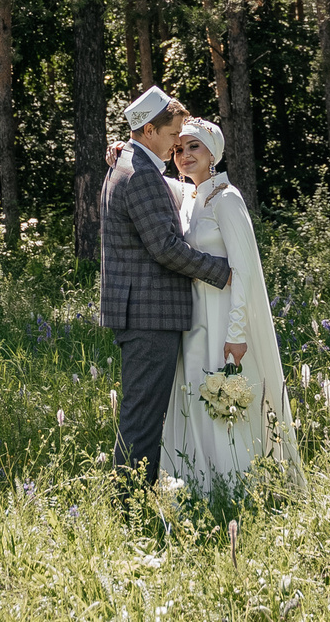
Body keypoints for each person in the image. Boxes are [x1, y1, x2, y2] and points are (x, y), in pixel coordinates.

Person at [99, 85, 232, 494]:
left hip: (144, 313)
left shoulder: (132, 164)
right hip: (148, 315)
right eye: (174, 133)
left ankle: (137, 498)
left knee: (146, 413)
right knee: (142, 418)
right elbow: (165, 248)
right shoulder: (138, 174)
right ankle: (129, 506)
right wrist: (221, 271)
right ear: (150, 130)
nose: (179, 142)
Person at [159, 117, 302, 492]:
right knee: (198, 394)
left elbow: (245, 271)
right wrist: (121, 155)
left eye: (194, 147)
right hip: (194, 319)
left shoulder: (227, 199)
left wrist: (237, 333)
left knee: (224, 397)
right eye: (178, 149)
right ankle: (203, 484)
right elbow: (152, 177)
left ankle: (240, 483)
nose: (184, 155)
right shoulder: (191, 197)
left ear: (213, 153)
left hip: (224, 317)